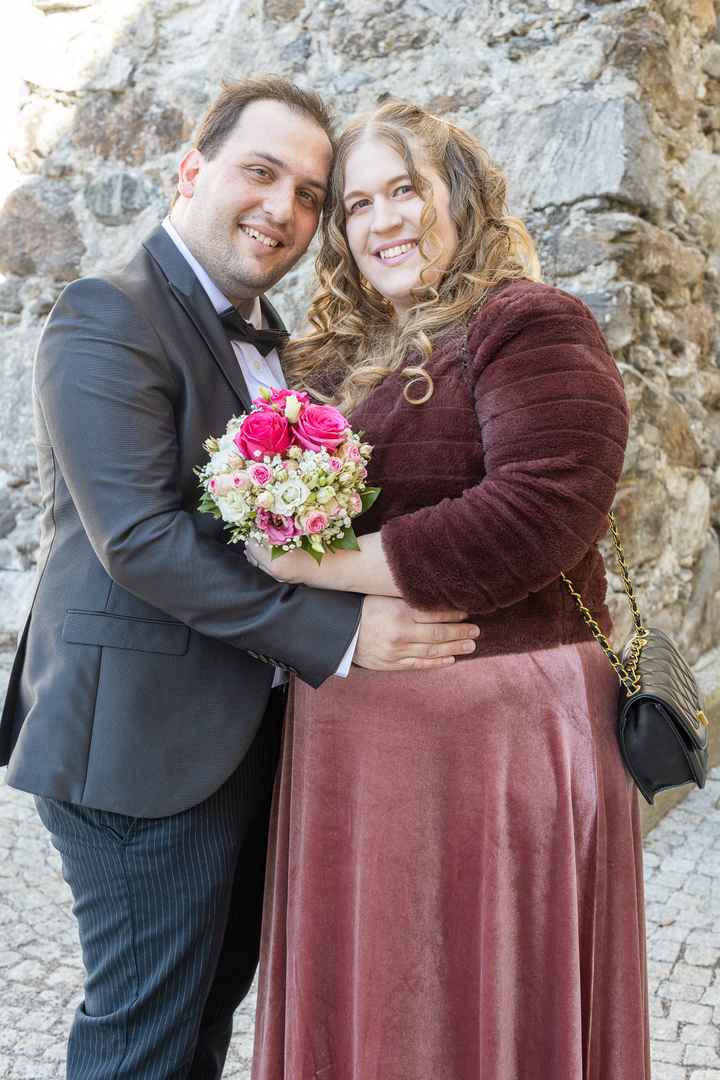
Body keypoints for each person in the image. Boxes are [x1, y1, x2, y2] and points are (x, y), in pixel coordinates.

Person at [0, 80, 480, 1079]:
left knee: (200, 1017)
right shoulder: (108, 311)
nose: (283, 209)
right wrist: (343, 633)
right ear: (192, 169)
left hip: (239, 737)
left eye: (309, 194)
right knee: (143, 1039)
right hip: (139, 746)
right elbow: (140, 539)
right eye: (260, 173)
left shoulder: (274, 342)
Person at [248, 101, 651, 1079]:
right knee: (371, 1008)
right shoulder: (323, 365)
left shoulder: (527, 321)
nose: (383, 220)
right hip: (350, 751)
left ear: (459, 200)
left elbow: (542, 512)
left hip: (499, 745)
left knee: (490, 1002)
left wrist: (310, 565)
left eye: (405, 191)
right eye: (357, 205)